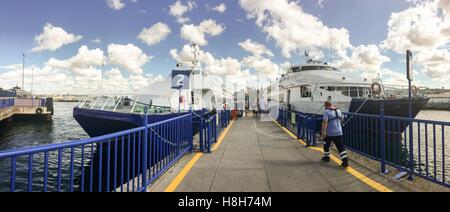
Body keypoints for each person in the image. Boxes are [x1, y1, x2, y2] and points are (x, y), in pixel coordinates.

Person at [321, 101, 349, 168]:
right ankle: (345, 162)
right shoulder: (339, 111)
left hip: (330, 133)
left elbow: (325, 122)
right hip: (339, 132)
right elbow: (342, 120)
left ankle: (327, 158)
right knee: (340, 147)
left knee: (326, 145)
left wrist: (323, 132)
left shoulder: (326, 112)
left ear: (325, 106)